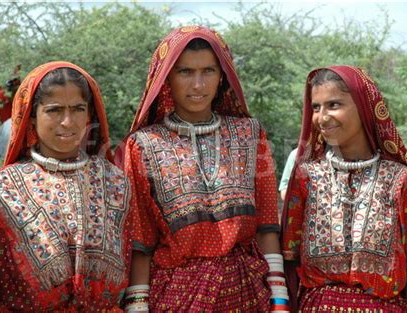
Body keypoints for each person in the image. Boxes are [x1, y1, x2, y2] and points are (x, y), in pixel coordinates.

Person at [115, 25, 290, 312]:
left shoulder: (250, 134)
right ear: (166, 78)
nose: (198, 85)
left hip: (247, 294)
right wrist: (138, 308)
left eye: (208, 71)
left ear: (222, 76)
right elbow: (141, 243)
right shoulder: (143, 145)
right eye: (185, 72)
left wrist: (280, 303)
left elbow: (267, 227)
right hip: (175, 297)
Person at [281, 66, 407, 312]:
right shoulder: (306, 177)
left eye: (334, 105)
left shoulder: (401, 180)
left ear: (364, 106)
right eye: (316, 107)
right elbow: (288, 261)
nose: (322, 117)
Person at [0, 61, 134, 312]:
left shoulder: (116, 182)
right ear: (31, 117)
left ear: (89, 114)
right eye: (54, 110)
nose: (68, 122)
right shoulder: (2, 190)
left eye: (78, 109)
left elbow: (134, 261)